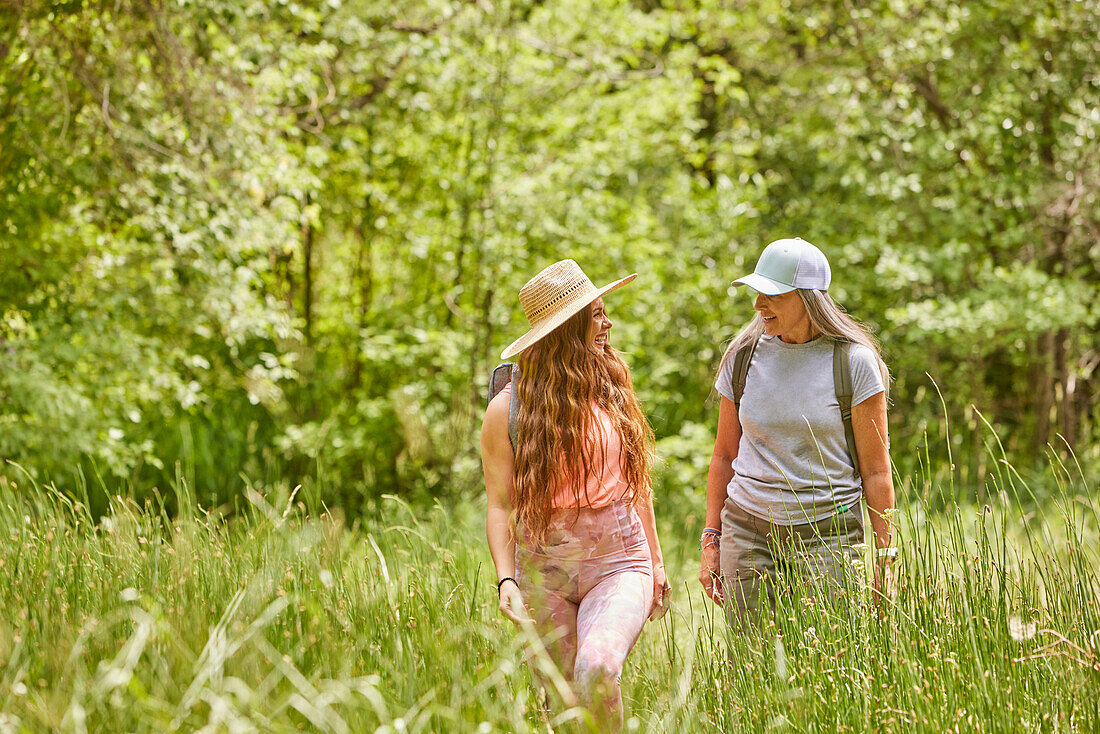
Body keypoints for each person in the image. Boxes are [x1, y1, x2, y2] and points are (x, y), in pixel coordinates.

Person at [482, 259, 669, 726]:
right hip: (543, 572)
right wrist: (507, 580)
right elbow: (500, 506)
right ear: (566, 330)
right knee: (562, 701)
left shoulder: (612, 388)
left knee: (597, 669)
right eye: (597, 315)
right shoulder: (507, 410)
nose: (608, 324)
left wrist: (657, 561)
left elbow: (637, 484)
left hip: (619, 560)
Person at [698, 237, 896, 622]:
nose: (758, 305)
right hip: (748, 531)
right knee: (752, 663)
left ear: (808, 297)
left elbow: (876, 470)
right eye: (757, 293)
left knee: (831, 657)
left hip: (829, 534)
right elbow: (724, 455)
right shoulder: (742, 358)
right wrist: (712, 536)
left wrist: (886, 559)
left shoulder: (853, 363)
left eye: (771, 294)